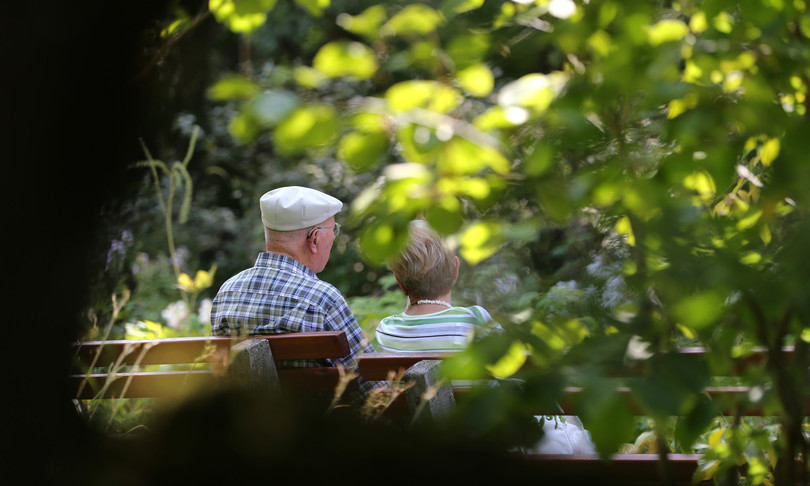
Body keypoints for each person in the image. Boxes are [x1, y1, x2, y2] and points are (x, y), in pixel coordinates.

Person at [376, 219, 595, 454]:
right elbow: (515, 371)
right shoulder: (475, 319)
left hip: (425, 449)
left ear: (400, 283)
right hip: (488, 447)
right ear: (456, 270)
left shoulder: (385, 330)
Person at [210, 185, 377, 397]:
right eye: (333, 230)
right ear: (314, 239)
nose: (335, 237)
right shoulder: (322, 299)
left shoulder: (227, 293)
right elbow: (372, 388)